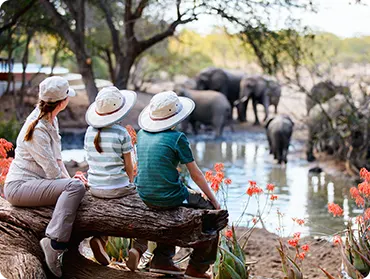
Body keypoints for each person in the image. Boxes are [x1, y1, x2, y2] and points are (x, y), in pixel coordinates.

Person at [3, 76, 86, 278]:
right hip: (19, 188)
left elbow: (57, 161)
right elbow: (52, 172)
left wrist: (73, 178)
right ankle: (54, 243)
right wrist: (73, 184)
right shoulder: (38, 128)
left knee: (76, 186)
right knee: (76, 188)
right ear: (62, 102)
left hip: (35, 184)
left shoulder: (51, 119)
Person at [135, 91, 221, 279]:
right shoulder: (177, 138)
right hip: (169, 196)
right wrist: (214, 200)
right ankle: (197, 267)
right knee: (212, 214)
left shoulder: (141, 134)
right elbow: (196, 174)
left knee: (171, 201)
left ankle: (162, 260)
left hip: (143, 195)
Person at [84, 86, 147, 271]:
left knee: (106, 211)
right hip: (118, 187)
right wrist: (130, 183)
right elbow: (129, 167)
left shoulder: (89, 132)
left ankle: (100, 239)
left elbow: (90, 160)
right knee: (144, 211)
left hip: (95, 187)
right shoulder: (121, 133)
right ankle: (138, 248)